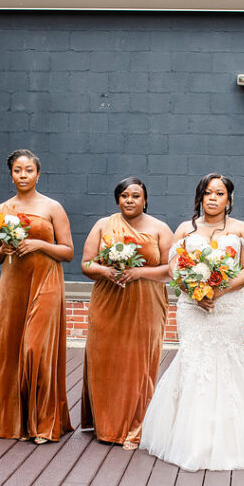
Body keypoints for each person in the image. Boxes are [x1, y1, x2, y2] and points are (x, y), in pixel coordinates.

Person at [140, 173, 244, 471]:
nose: (213, 198)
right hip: (192, 307)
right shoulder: (184, 230)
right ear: (200, 197)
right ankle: (187, 438)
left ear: (229, 199)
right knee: (194, 358)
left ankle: (230, 439)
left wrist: (218, 290)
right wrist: (196, 291)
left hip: (228, 306)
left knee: (226, 358)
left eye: (219, 193)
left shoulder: (242, 230)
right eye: (207, 193)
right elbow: (175, 268)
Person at [0, 150, 74, 443]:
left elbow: (68, 251)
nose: (23, 175)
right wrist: (4, 250)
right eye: (18, 170)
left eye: (29, 170)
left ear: (38, 174)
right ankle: (11, 420)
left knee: (36, 348)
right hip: (14, 284)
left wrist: (38, 245)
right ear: (11, 174)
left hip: (46, 281)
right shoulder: (3, 209)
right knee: (9, 349)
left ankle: (42, 422)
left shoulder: (52, 207)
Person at [80, 177, 173, 450]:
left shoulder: (160, 228)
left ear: (145, 200)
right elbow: (86, 264)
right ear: (117, 199)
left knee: (139, 363)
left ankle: (137, 424)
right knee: (105, 360)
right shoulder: (103, 225)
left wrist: (138, 272)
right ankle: (106, 425)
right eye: (124, 196)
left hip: (146, 304)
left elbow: (170, 270)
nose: (129, 200)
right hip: (108, 303)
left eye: (135, 196)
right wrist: (106, 271)